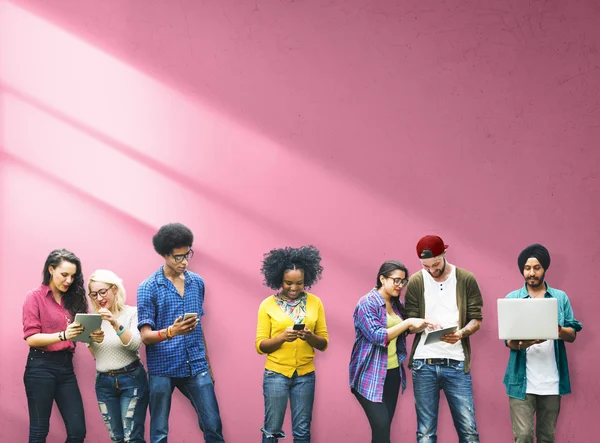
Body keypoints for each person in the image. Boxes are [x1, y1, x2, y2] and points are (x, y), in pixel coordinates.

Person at [137, 222, 224, 443]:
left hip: (196, 365)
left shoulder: (197, 283)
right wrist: (171, 331)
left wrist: (207, 365)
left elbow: (198, 326)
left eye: (187, 255)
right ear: (164, 255)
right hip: (162, 369)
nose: (184, 261)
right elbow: (145, 336)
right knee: (159, 434)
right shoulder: (148, 288)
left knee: (213, 426)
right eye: (178, 257)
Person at [405, 235, 483, 443]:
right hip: (424, 364)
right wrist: (420, 323)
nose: (432, 270)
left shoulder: (466, 279)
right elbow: (409, 323)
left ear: (444, 254)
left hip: (456, 364)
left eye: (436, 264)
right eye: (426, 266)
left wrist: (460, 334)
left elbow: (476, 319)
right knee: (425, 433)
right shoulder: (416, 281)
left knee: (469, 432)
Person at [503, 244, 582, 443]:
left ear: (544, 268)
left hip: (552, 381)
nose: (532, 273)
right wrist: (525, 342)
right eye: (527, 268)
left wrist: (558, 330)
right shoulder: (512, 299)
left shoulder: (560, 297)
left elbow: (572, 335)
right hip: (521, 382)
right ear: (522, 269)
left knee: (547, 437)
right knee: (523, 437)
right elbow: (509, 342)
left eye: (537, 267)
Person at [349, 260, 430, 443]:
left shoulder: (395, 303)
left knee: (382, 432)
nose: (400, 285)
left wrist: (423, 325)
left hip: (392, 373)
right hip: (369, 374)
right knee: (382, 425)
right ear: (382, 279)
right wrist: (408, 323)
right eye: (396, 280)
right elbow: (379, 337)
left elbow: (402, 331)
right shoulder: (367, 303)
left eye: (403, 281)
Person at [255, 245, 329, 443]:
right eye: (288, 283)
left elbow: (323, 344)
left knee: (302, 432)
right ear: (279, 278)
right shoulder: (267, 305)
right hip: (275, 375)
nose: (294, 288)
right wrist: (281, 338)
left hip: (306, 375)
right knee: (271, 430)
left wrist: (310, 337)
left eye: (299, 283)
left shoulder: (316, 303)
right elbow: (260, 346)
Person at [22, 249, 89, 443]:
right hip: (41, 366)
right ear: (51, 269)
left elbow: (79, 336)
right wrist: (63, 335)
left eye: (73, 276)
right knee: (39, 430)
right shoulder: (34, 296)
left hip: (66, 368)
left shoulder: (72, 300)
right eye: (64, 274)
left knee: (77, 431)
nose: (69, 280)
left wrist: (92, 336)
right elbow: (31, 338)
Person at [87, 269, 149, 442]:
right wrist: (92, 340)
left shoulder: (132, 313)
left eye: (102, 292)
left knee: (132, 438)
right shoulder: (92, 320)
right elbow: (96, 355)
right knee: (116, 438)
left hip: (131, 380)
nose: (99, 298)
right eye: (94, 294)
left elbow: (135, 344)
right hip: (104, 383)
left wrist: (115, 324)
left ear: (114, 289)